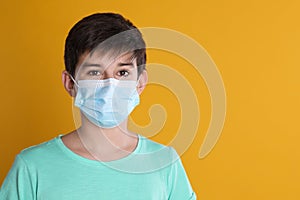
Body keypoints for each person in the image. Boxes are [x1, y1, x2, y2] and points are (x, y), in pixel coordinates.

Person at [0, 13, 196, 200]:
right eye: (94, 72)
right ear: (70, 83)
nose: (110, 84)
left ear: (140, 82)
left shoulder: (164, 163)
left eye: (122, 73)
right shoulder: (31, 167)